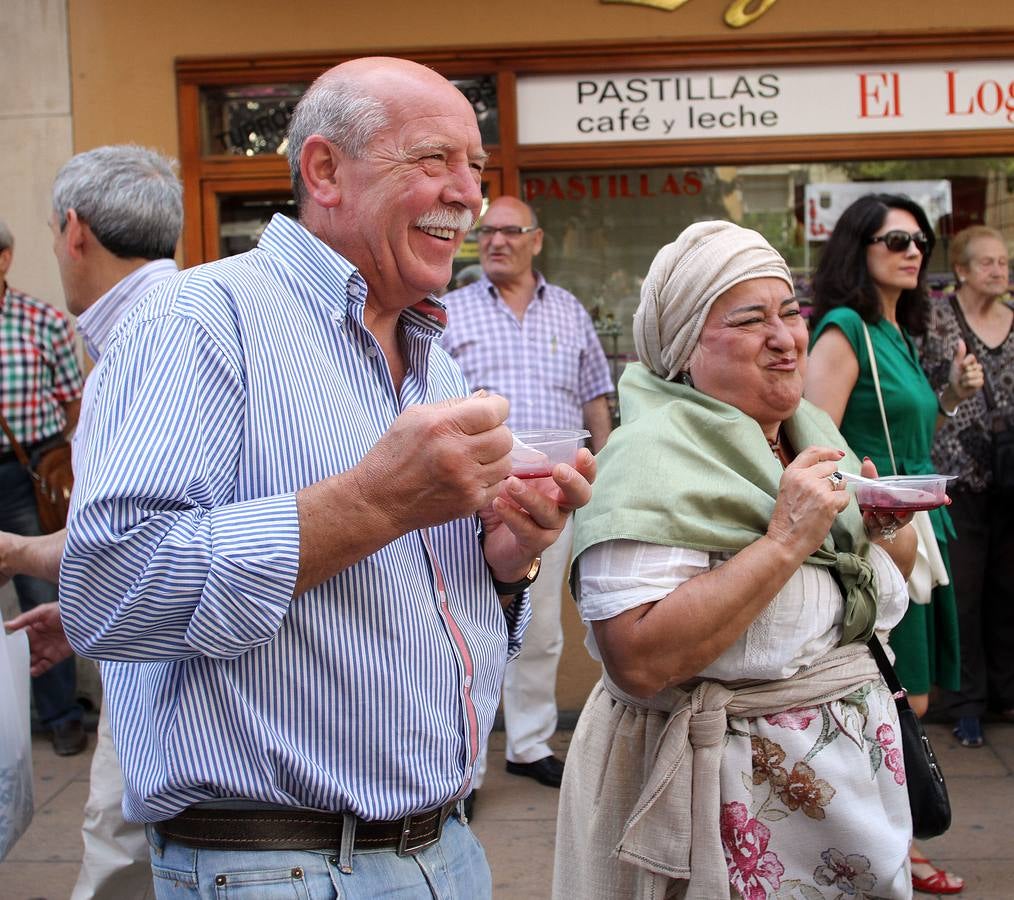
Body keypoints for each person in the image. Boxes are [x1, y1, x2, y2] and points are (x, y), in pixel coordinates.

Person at [58, 56, 593, 899]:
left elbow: (420, 618)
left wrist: (505, 559)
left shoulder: (436, 365)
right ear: (323, 170)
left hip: (444, 849)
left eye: (475, 170)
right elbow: (110, 589)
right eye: (434, 160)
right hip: (276, 864)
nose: (466, 194)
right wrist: (372, 502)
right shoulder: (201, 317)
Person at [553, 220, 918, 898]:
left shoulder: (810, 431)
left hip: (845, 809)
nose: (784, 338)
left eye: (789, 312)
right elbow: (638, 660)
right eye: (750, 321)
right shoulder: (645, 462)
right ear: (684, 346)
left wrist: (882, 529)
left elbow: (867, 595)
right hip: (724, 812)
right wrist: (785, 541)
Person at [1, 144, 182, 900]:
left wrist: (18, 552)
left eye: (50, 233)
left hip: (174, 664)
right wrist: (88, 613)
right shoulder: (165, 324)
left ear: (74, 230)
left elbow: (137, 538)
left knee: (122, 839)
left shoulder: (147, 342)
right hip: (164, 640)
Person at [805, 193, 982, 896]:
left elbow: (903, 429)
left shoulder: (897, 331)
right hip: (883, 533)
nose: (913, 252)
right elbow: (819, 439)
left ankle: (887, 842)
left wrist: (950, 398)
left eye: (920, 241)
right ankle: (886, 850)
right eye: (896, 240)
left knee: (916, 695)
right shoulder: (846, 327)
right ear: (859, 248)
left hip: (920, 529)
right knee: (894, 698)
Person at [441, 196, 613, 802]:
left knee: (538, 628)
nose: (495, 241)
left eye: (510, 232)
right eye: (486, 232)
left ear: (536, 240)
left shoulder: (568, 311)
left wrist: (605, 477)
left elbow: (596, 400)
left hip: (552, 496)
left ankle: (530, 744)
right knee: (461, 624)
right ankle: (461, 768)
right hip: (470, 495)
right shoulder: (449, 311)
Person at [919, 225, 1014, 749]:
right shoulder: (937, 320)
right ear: (961, 269)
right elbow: (923, 387)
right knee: (966, 594)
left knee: (1007, 590)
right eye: (988, 263)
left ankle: (1005, 692)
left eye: (1004, 262)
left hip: (1010, 477)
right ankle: (966, 702)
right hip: (958, 474)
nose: (1000, 271)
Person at [0, 216, 85, 756]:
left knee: (41, 587)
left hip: (23, 471)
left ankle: (60, 714)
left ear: (4, 260)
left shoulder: (43, 321)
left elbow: (75, 401)